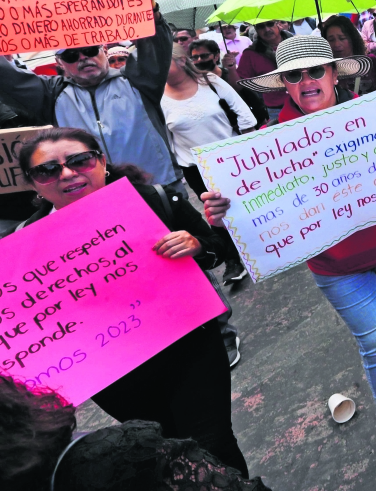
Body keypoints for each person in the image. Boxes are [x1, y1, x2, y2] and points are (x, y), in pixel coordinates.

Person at [206, 35, 376, 491]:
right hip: (337, 268)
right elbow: (243, 209)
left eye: (316, 71)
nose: (307, 81)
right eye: (294, 75)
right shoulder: (265, 147)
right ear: (284, 85)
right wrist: (220, 212)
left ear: (336, 74)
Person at [11, 128, 252, 476]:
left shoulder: (154, 200)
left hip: (191, 349)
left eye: (79, 160)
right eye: (47, 170)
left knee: (213, 442)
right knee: (165, 448)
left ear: (101, 161)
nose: (66, 173)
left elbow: (220, 248)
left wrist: (198, 244)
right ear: (34, 184)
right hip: (113, 373)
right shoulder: (23, 245)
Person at [0, 0, 182, 190]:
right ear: (60, 63)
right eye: (71, 56)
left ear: (103, 50)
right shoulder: (50, 95)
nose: (83, 58)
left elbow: (155, 48)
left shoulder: (138, 81)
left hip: (158, 188)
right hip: (91, 196)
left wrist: (148, 8)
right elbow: (8, 79)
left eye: (89, 50)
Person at [0, 375, 271, 491]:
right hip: (108, 366)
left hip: (174, 334)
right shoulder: (118, 461)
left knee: (215, 440)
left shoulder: (117, 459)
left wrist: (209, 252)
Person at [162, 46, 255, 294]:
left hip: (231, 158)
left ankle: (265, 243)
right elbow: (165, 138)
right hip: (195, 167)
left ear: (181, 61)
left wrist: (249, 148)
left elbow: (244, 115)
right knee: (217, 214)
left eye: (162, 60)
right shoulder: (157, 97)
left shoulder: (210, 81)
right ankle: (233, 261)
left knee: (249, 203)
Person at [190, 39, 269, 128]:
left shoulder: (231, 75)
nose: (199, 60)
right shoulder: (194, 84)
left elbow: (253, 100)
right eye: (195, 57)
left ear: (216, 56)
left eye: (204, 56)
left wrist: (231, 69)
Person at [236, 20, 290, 120]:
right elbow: (239, 84)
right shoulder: (250, 54)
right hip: (276, 109)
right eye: (261, 26)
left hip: (306, 99)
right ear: (256, 29)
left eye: (270, 24)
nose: (266, 29)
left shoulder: (297, 44)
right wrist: (230, 67)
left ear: (278, 24)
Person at [322, 16, 376, 95]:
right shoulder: (326, 71)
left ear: (352, 38)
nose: (337, 44)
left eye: (342, 38)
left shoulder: (371, 61)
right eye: (331, 40)